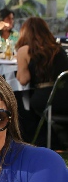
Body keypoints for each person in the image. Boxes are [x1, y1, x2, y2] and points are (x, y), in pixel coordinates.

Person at [15, 17, 68, 147]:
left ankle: (30, 141)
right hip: (64, 96)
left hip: (45, 98)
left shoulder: (25, 50)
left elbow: (23, 80)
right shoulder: (58, 49)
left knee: (19, 100)